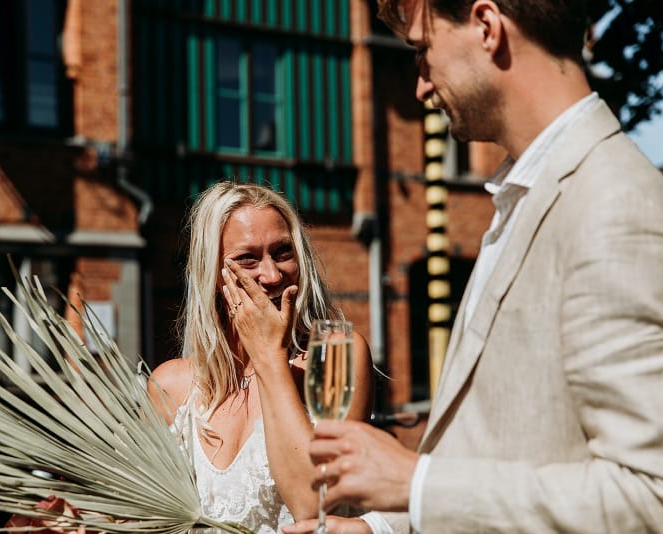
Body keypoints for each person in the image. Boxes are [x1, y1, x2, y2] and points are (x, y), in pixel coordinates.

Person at [284, 0, 663, 532]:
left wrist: (415, 483)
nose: (419, 85)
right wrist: (383, 528)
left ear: (487, 27)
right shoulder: (525, 196)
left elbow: (651, 496)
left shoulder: (613, 203)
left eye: (422, 49)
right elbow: (500, 447)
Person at [146, 181, 383, 533]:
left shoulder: (334, 356)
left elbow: (312, 505)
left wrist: (269, 356)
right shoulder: (171, 385)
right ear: (213, 274)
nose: (271, 275)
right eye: (248, 259)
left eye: (283, 252)